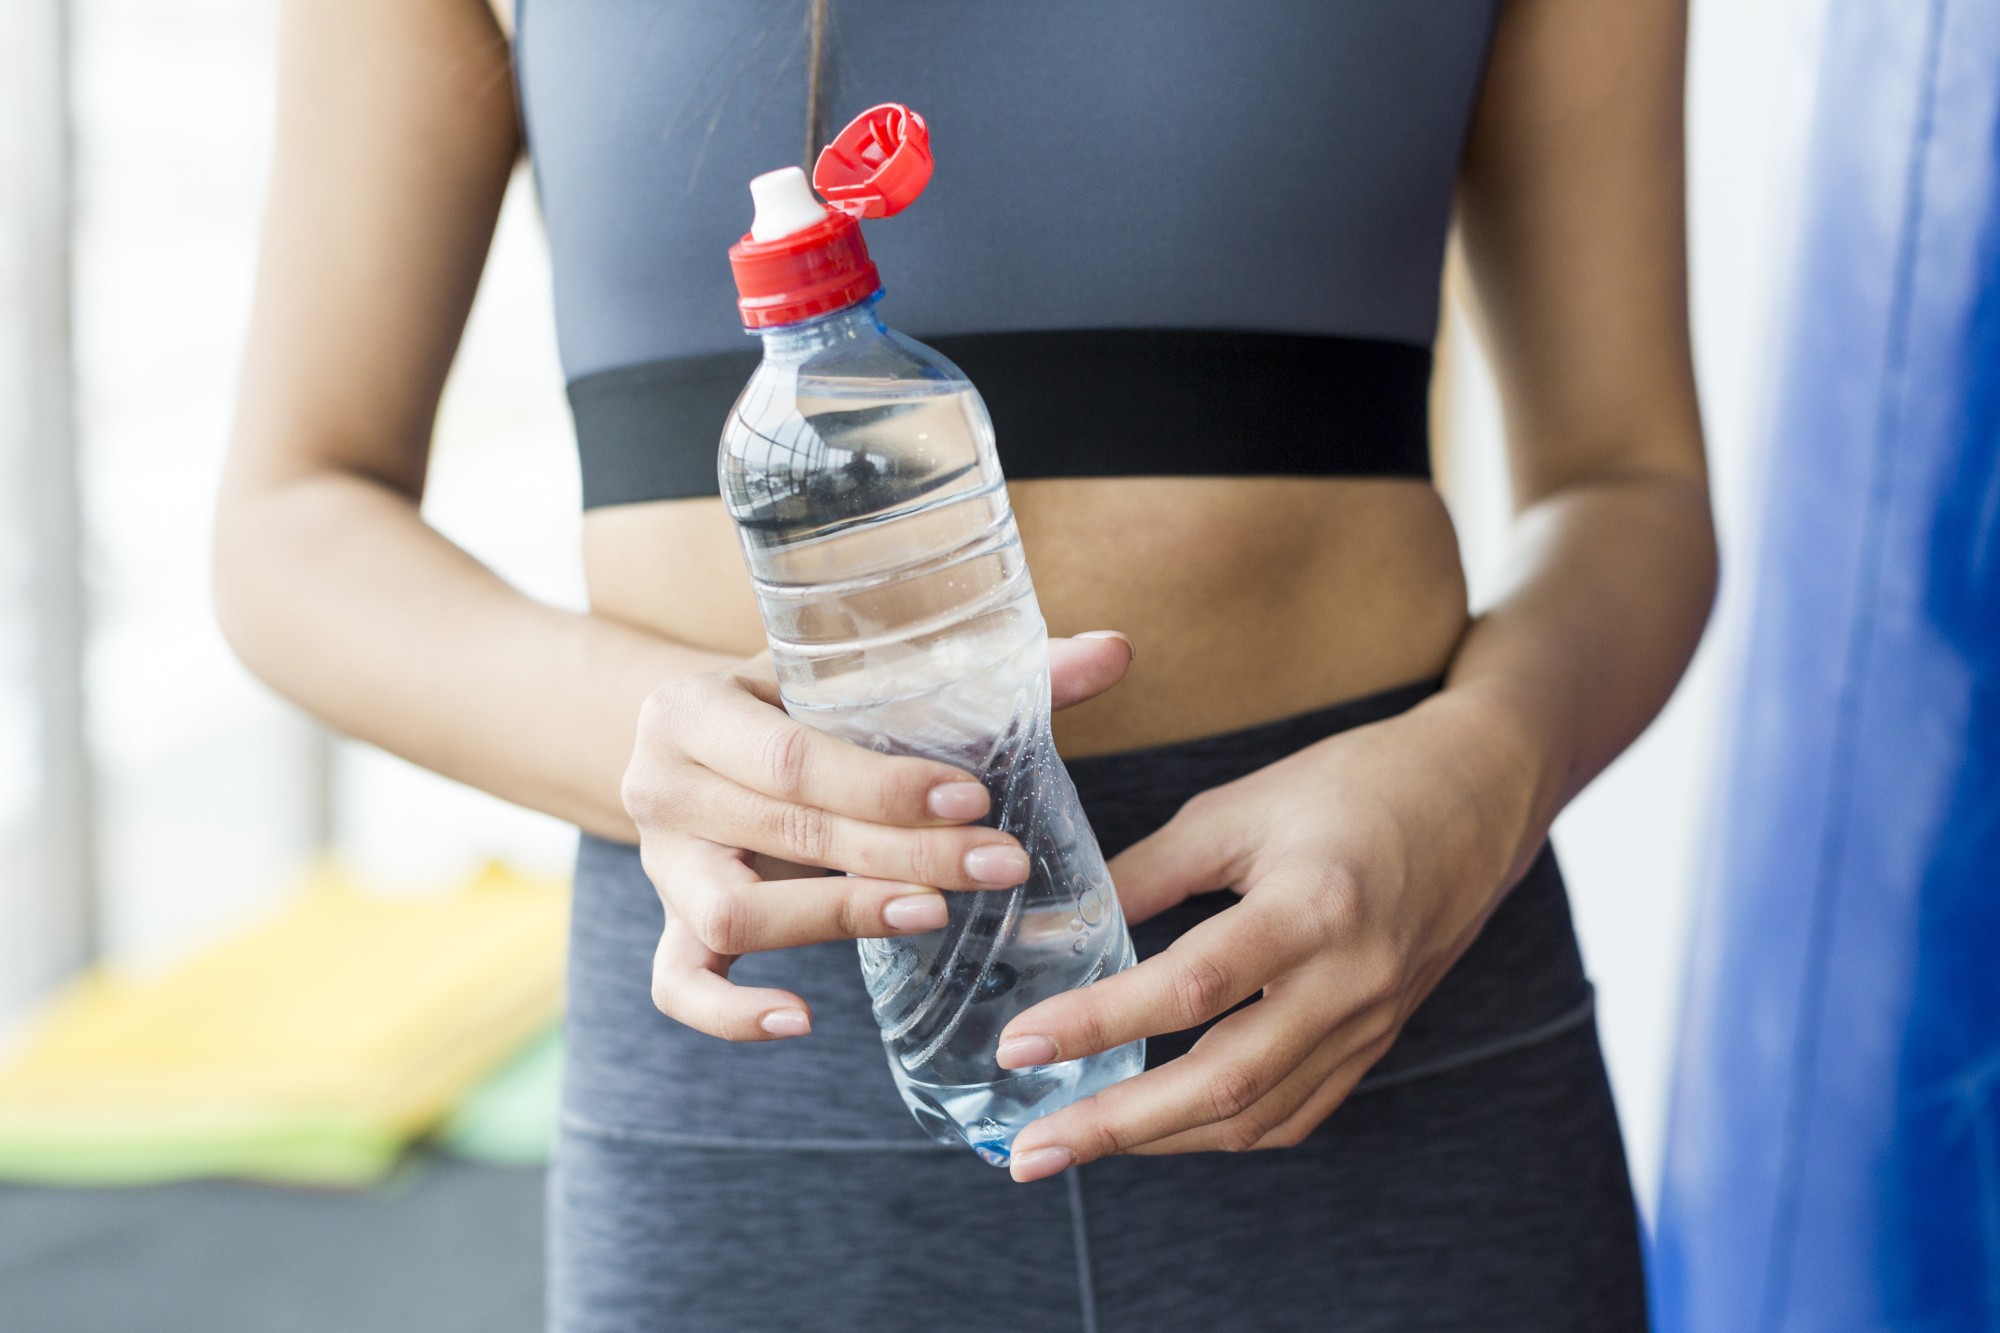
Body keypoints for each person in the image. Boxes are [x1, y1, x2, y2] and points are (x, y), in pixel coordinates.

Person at [215, 1, 1714, 1328]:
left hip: (1389, 991)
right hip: (775, 1058)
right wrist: (643, 736)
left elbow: (1629, 477)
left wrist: (1491, 768)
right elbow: (292, 518)